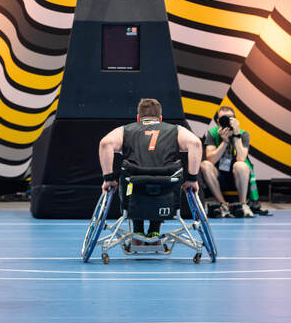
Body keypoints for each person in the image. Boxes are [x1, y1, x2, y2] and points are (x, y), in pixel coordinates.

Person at [99, 98, 202, 241]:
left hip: (133, 185)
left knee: (131, 183)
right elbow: (196, 144)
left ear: (138, 118)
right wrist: (192, 179)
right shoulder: (175, 130)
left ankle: (138, 230)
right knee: (162, 182)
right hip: (166, 186)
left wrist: (108, 179)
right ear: (160, 118)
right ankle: (154, 230)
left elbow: (105, 144)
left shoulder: (125, 130)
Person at [199, 106, 256, 218]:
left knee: (241, 165)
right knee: (205, 165)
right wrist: (224, 142)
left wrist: (236, 135)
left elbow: (241, 158)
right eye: (224, 118)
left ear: (235, 119)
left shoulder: (243, 134)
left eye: (231, 118)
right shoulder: (212, 133)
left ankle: (242, 205)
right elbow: (211, 159)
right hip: (219, 175)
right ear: (217, 121)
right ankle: (223, 205)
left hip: (238, 175)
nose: (228, 121)